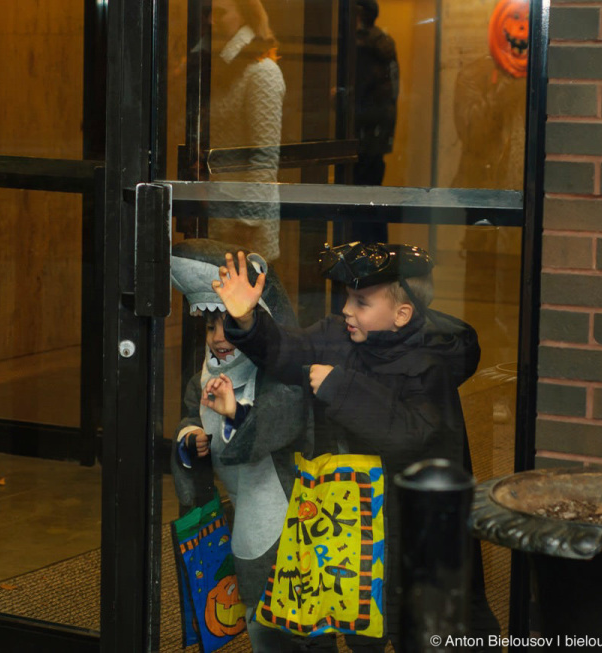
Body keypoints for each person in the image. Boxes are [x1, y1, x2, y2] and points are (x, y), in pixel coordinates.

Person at [212, 243, 500, 650]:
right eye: (347, 298)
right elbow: (286, 351)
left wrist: (341, 387)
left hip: (411, 535)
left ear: (402, 315)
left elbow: (413, 437)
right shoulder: (337, 336)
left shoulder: (429, 366)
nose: (347, 309)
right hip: (354, 531)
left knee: (417, 629)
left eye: (361, 302)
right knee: (360, 629)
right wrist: (247, 320)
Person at [169, 239, 328, 652]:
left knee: (279, 591)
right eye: (209, 324)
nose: (219, 337)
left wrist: (235, 413)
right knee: (248, 595)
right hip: (235, 500)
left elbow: (279, 422)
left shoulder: (276, 370)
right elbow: (190, 413)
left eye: (229, 324)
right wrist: (192, 439)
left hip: (276, 502)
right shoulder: (206, 372)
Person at [205, 0, 285, 261]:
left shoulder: (262, 72)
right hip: (218, 218)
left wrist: (245, 226)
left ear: (245, 17)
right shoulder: (224, 67)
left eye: (220, 14)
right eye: (210, 14)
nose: (211, 22)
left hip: (246, 233)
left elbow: (265, 158)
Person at [350, 0, 399, 245]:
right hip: (376, 142)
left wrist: (339, 98)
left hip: (360, 142)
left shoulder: (361, 47)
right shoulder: (383, 45)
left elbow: (358, 98)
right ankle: (380, 264)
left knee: (358, 216)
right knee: (372, 209)